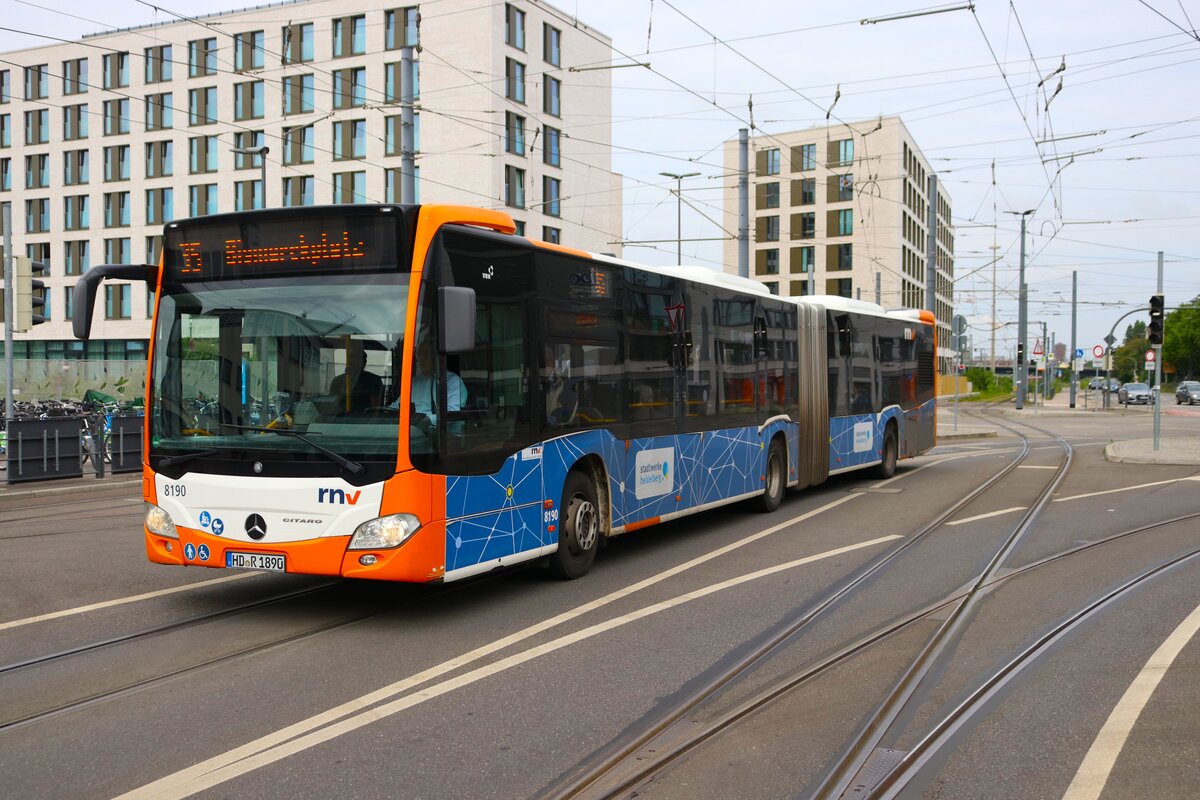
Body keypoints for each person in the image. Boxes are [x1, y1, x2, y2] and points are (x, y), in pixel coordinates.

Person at [390, 339, 465, 428]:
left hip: (438, 433)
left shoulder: (453, 381)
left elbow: (452, 413)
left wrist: (428, 420)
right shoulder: (414, 382)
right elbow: (397, 406)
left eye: (426, 354)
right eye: (420, 354)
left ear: (436, 356)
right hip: (409, 430)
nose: (422, 359)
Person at [328, 340, 383, 414]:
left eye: (356, 358)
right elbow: (331, 406)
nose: (352, 361)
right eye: (350, 358)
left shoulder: (374, 380)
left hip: (365, 418)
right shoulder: (337, 381)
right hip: (340, 418)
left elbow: (376, 409)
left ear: (363, 363)